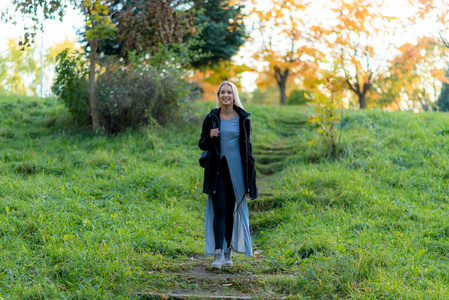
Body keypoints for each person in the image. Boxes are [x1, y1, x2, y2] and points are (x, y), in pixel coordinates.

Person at [198, 81, 258, 269]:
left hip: (237, 172)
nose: (225, 95)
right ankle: (217, 254)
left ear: (234, 96)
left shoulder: (243, 119)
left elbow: (248, 149)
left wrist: (251, 178)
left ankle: (227, 251)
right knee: (220, 208)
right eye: (222, 92)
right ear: (218, 95)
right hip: (217, 170)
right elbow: (202, 144)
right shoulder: (211, 118)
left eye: (229, 93)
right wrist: (210, 136)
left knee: (230, 211)